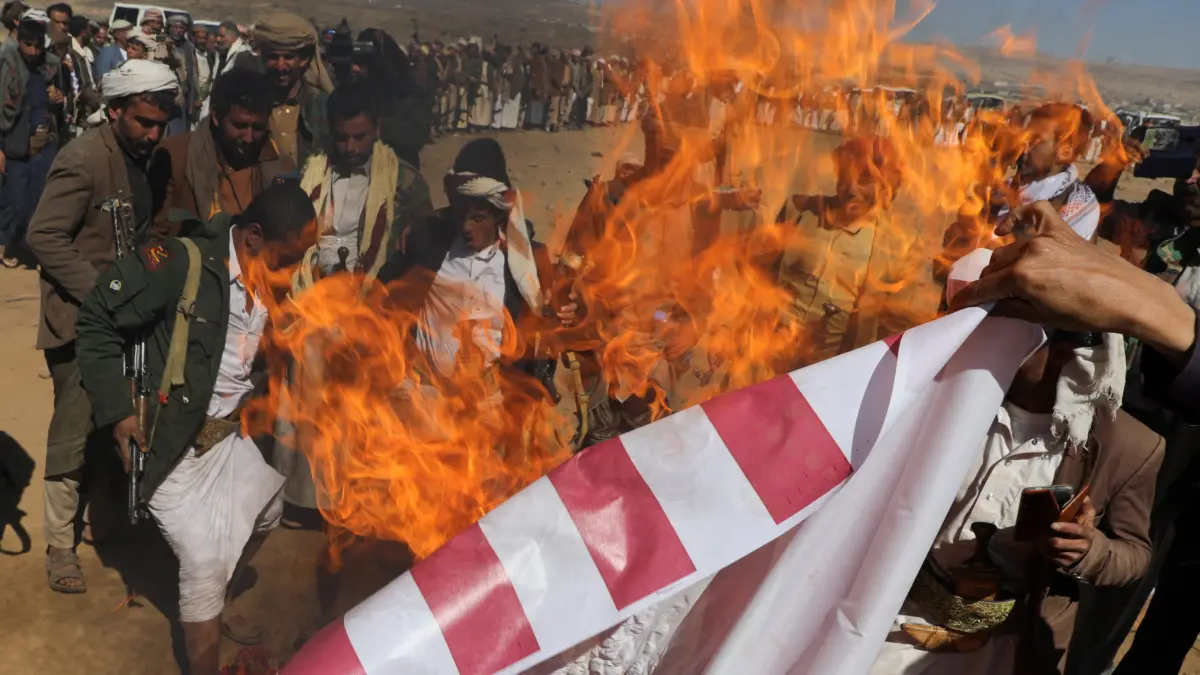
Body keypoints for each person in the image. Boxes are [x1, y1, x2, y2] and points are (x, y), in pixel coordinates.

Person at [75, 180, 316, 675]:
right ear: (252, 237)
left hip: (225, 438)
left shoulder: (267, 278)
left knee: (268, 509)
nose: (293, 271)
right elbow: (96, 319)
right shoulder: (180, 263)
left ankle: (214, 602)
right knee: (204, 565)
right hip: (172, 442)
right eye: (288, 258)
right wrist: (119, 412)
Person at [869, 270, 1162, 675]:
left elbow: (1135, 554)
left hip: (1005, 650)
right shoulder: (948, 391)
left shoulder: (1128, 446)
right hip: (889, 620)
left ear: (1059, 353)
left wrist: (1088, 549)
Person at [25, 59, 176, 593]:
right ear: (114, 111)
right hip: (79, 321)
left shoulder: (144, 159)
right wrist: (103, 294)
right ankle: (59, 547)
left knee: (120, 420)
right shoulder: (83, 158)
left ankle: (106, 520)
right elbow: (43, 236)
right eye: (143, 122)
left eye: (161, 124)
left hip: (126, 319)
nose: (153, 134)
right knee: (72, 434)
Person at [280, 83, 433, 511]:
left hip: (372, 306)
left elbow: (423, 254)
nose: (350, 147)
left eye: (359, 137)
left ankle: (357, 496)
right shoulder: (310, 172)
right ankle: (310, 499)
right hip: (311, 301)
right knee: (309, 394)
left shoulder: (404, 182)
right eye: (342, 137)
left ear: (377, 128)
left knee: (359, 407)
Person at [376, 138, 550, 383]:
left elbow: (550, 324)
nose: (467, 227)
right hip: (426, 392)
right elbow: (382, 293)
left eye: (478, 219)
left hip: (494, 395)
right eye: (461, 216)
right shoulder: (428, 243)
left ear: (499, 215)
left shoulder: (527, 266)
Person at [767, 135, 908, 367]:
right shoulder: (798, 211)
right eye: (846, 174)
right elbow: (760, 279)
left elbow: (891, 328)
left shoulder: (893, 248)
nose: (851, 188)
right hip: (769, 356)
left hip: (829, 371)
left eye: (864, 179)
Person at [149, 68, 294, 235]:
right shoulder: (175, 156)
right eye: (240, 126)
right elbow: (156, 235)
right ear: (216, 116)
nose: (248, 138)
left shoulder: (280, 164)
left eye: (258, 128)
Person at [0, 13, 64, 268]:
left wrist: (60, 100)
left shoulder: (51, 67)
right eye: (28, 45)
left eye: (38, 46)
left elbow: (61, 103)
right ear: (20, 42)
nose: (33, 51)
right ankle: (10, 245)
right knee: (17, 201)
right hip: (14, 143)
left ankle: (35, 251)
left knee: (40, 199)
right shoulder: (6, 66)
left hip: (44, 142)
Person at [253, 12, 331, 167]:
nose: (280, 66)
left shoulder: (322, 106)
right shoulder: (251, 102)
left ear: (303, 60)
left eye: (288, 57)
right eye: (273, 57)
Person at [66, 14, 99, 136]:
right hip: (78, 110)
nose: (92, 33)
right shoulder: (71, 52)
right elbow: (82, 84)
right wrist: (98, 101)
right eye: (90, 29)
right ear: (83, 32)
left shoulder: (87, 51)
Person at [165, 14, 195, 134]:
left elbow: (192, 74)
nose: (178, 31)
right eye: (175, 27)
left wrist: (192, 100)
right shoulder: (163, 45)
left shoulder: (189, 47)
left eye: (181, 28)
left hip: (183, 95)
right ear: (169, 28)